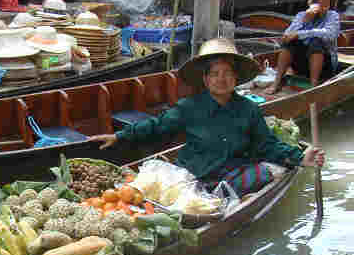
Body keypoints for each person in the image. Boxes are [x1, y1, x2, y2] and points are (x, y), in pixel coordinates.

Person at [90, 38, 325, 198]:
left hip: (231, 173)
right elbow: (157, 125)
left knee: (265, 172)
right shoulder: (189, 107)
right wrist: (119, 135)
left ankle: (223, 199)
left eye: (227, 74)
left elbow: (267, 145)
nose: (221, 79)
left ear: (236, 78)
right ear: (206, 80)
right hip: (193, 171)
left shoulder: (249, 110)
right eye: (215, 74)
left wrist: (300, 157)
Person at [263, 0, 340, 96]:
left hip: (325, 66)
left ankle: (313, 87)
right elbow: (286, 36)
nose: (324, 9)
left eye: (327, 6)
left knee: (316, 41)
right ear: (311, 4)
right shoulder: (301, 15)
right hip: (302, 64)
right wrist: (304, 21)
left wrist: (300, 34)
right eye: (321, 5)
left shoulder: (333, 16)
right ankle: (276, 82)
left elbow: (330, 34)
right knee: (289, 43)